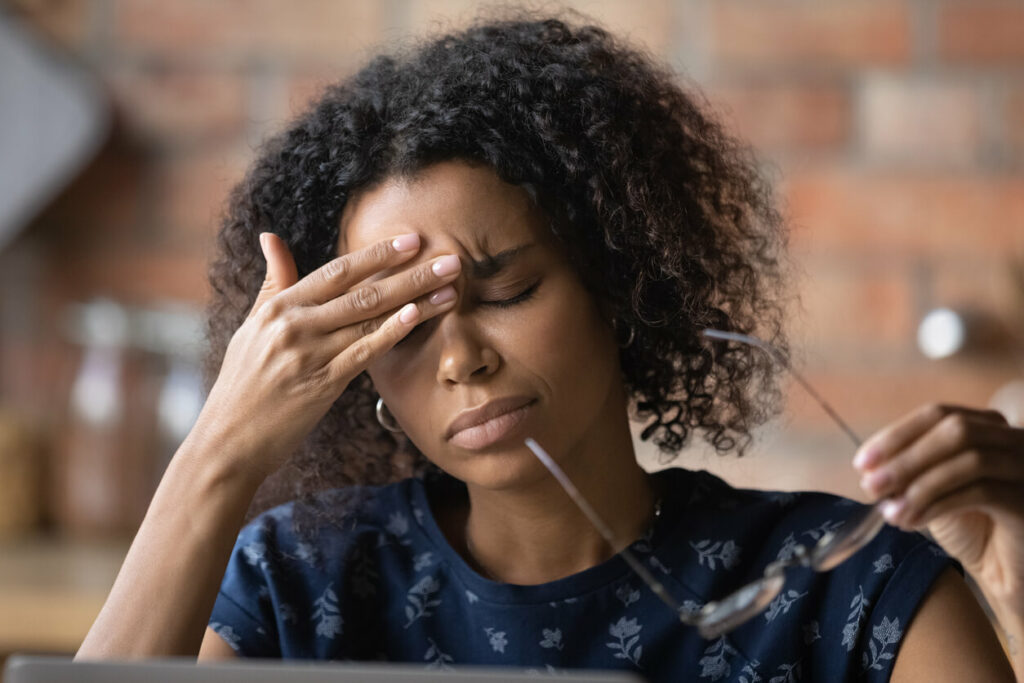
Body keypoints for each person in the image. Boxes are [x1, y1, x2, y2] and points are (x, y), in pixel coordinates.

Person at [78, 12, 1023, 681]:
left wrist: (1015, 582)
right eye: (401, 329)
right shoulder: (301, 589)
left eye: (510, 291)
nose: (461, 361)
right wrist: (219, 452)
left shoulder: (841, 590)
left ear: (623, 283)